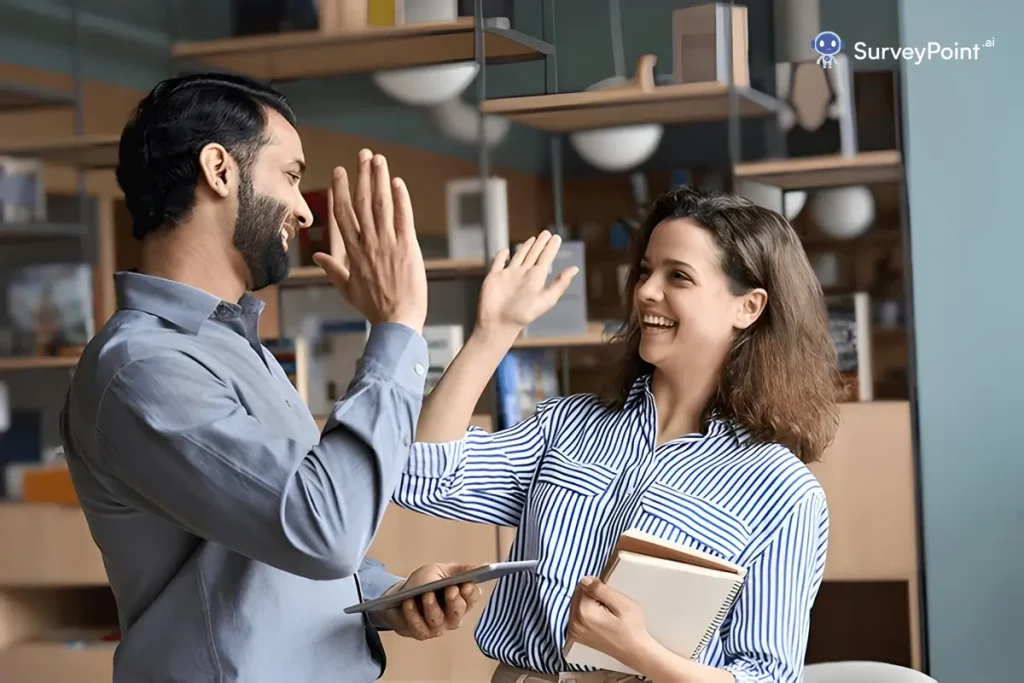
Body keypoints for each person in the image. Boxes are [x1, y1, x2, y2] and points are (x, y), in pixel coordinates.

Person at [59, 73, 483, 683]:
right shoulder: (143, 369)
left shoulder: (235, 345)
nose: (305, 207)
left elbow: (271, 530)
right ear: (220, 170)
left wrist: (385, 595)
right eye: (290, 175)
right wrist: (397, 326)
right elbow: (325, 528)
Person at [393, 188, 843, 683]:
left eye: (679, 276)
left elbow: (769, 677)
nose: (647, 291)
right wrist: (493, 332)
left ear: (749, 307)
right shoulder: (565, 426)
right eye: (646, 271)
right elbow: (421, 474)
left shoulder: (783, 492)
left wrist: (639, 652)